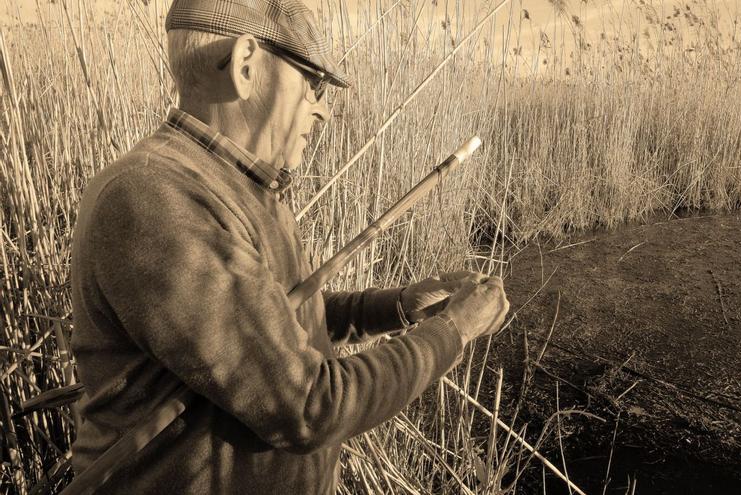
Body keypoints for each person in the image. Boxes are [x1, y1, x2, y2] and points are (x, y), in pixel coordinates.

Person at [68, 0, 510, 492]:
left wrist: (400, 308)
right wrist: (454, 331)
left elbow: (276, 321)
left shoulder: (238, 184)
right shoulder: (154, 200)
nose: (323, 110)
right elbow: (307, 407)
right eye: (313, 84)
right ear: (245, 65)